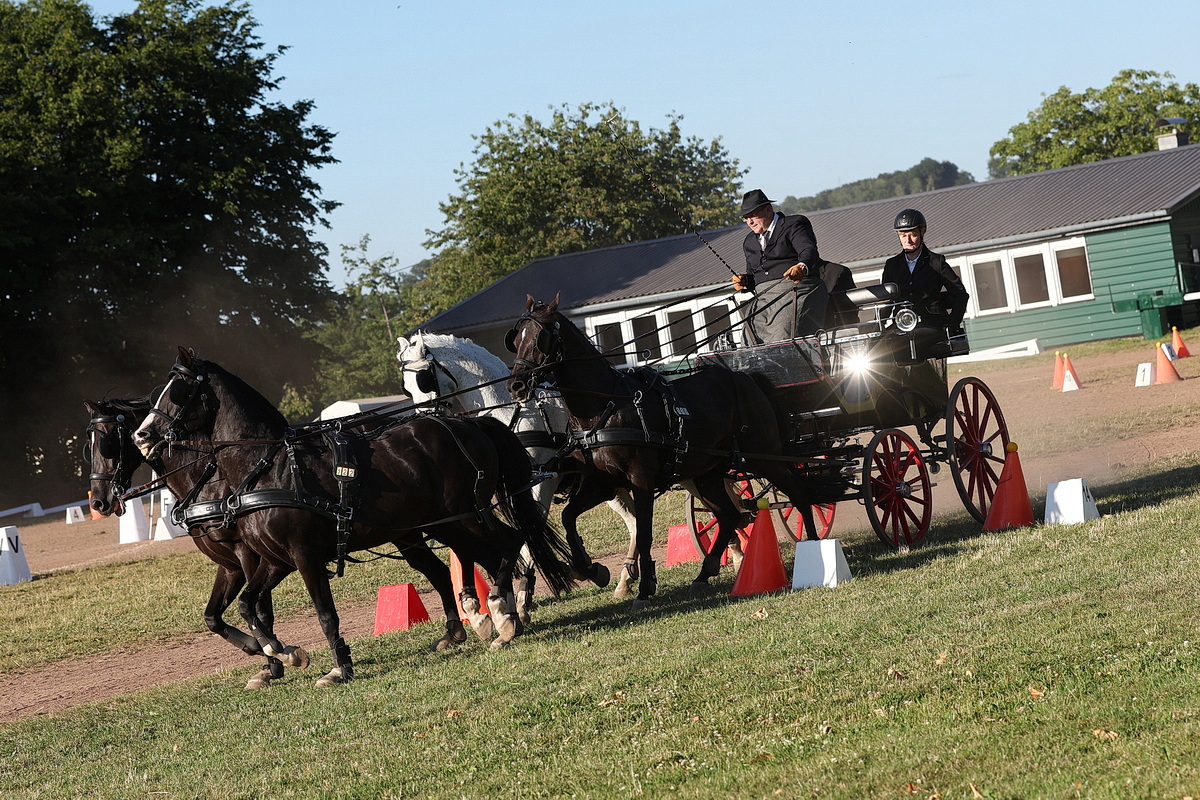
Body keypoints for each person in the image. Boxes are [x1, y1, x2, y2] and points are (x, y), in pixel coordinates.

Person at [735, 189, 830, 344]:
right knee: (749, 335)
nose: (749, 222)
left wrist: (801, 267)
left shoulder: (794, 224)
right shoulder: (749, 242)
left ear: (768, 209)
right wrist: (745, 281)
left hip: (795, 289)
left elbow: (808, 250)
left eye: (753, 215)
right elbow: (755, 277)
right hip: (763, 298)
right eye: (746, 218)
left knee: (781, 333)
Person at [881, 208, 969, 359]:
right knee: (876, 347)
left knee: (903, 343)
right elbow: (886, 300)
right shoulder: (892, 265)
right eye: (903, 236)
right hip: (901, 324)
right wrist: (881, 327)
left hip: (931, 324)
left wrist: (952, 322)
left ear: (922, 232)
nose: (907, 240)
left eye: (913, 235)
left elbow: (960, 294)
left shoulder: (937, 262)